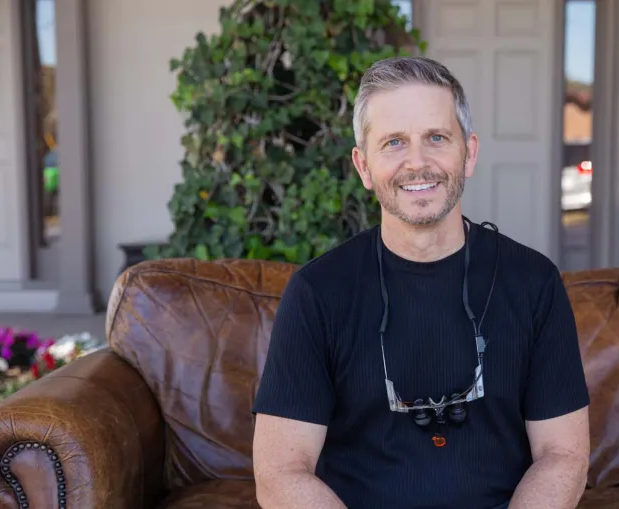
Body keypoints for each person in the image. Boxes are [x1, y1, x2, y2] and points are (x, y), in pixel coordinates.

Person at [252, 56, 591, 509]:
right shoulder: (317, 293)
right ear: (364, 166)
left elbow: (563, 455)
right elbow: (280, 473)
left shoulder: (534, 284)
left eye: (436, 138)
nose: (418, 162)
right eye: (393, 142)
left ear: (468, 153)